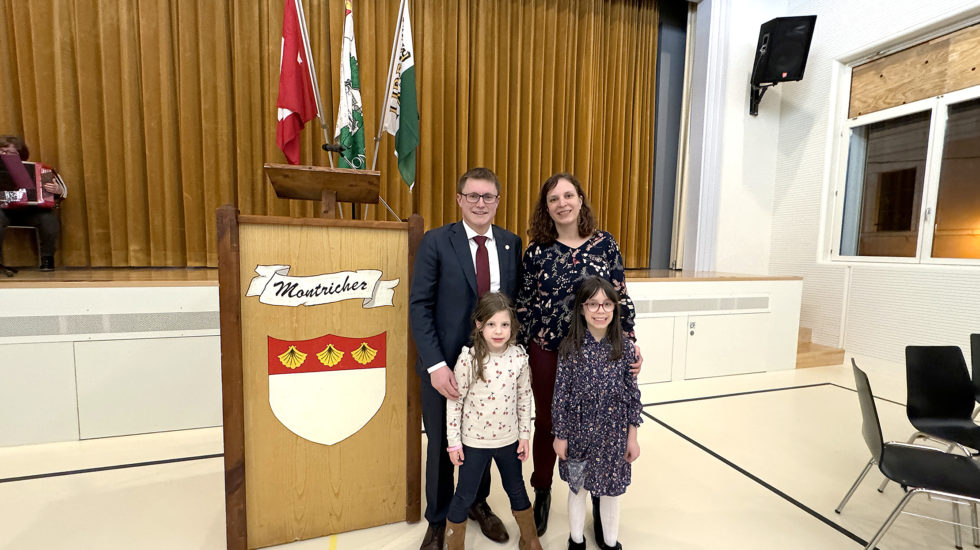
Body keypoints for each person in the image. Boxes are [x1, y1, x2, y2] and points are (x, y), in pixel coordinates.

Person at [516, 172, 639, 537]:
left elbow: (620, 296)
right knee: (549, 424)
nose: (562, 203)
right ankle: (542, 490)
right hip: (549, 350)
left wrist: (629, 342)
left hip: (601, 352)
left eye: (569, 195)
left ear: (580, 200)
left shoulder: (605, 244)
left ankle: (601, 497)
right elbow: (524, 305)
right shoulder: (536, 250)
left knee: (604, 424)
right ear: (546, 207)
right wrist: (524, 352)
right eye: (554, 199)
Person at [409, 167, 523, 550]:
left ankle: (477, 502)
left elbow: (511, 307)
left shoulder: (510, 243)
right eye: (472, 196)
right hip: (444, 367)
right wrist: (435, 366)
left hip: (490, 368)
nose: (480, 203)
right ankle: (439, 518)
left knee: (485, 440)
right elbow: (420, 306)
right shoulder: (437, 242)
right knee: (444, 443)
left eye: (487, 196)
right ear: (459, 199)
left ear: (497, 201)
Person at [444, 292, 542, 550]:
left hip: (508, 441)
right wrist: (454, 443)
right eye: (491, 324)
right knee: (464, 495)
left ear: (512, 326)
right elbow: (455, 401)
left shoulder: (519, 358)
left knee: (517, 490)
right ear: (478, 324)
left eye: (504, 324)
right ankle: (454, 544)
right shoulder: (469, 358)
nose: (498, 331)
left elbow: (523, 398)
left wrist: (524, 434)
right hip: (474, 442)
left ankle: (530, 539)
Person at [553, 277, 642, 550]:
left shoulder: (625, 349)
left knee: (611, 493)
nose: (600, 311)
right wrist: (561, 435)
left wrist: (632, 437)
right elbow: (560, 396)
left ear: (615, 308)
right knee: (577, 488)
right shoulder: (570, 348)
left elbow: (632, 396)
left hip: (613, 438)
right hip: (578, 436)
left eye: (606, 304)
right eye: (593, 304)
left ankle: (610, 541)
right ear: (582, 308)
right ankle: (576, 540)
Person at [0, 135, 66, 272]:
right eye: (1, 151)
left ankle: (47, 258)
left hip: (29, 211)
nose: (4, 154)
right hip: (3, 210)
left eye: (10, 152)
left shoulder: (41, 169)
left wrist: (57, 190)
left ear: (20, 154)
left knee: (48, 219)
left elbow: (61, 192)